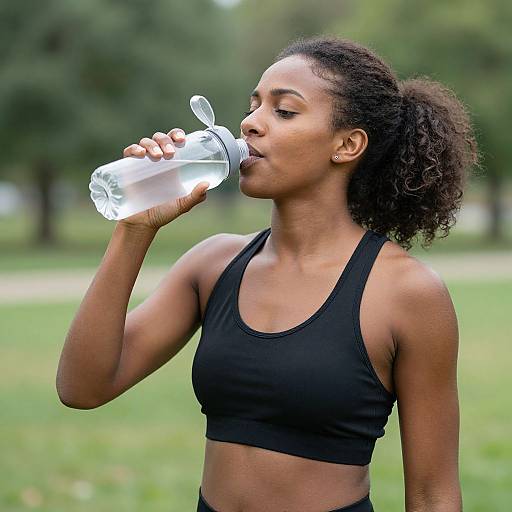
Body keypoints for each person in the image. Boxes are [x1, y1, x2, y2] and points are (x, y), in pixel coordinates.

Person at [56, 35, 479, 511]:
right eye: (254, 105)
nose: (251, 124)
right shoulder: (213, 265)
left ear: (347, 144)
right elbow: (82, 388)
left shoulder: (407, 293)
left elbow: (433, 492)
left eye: (284, 111)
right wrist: (133, 229)